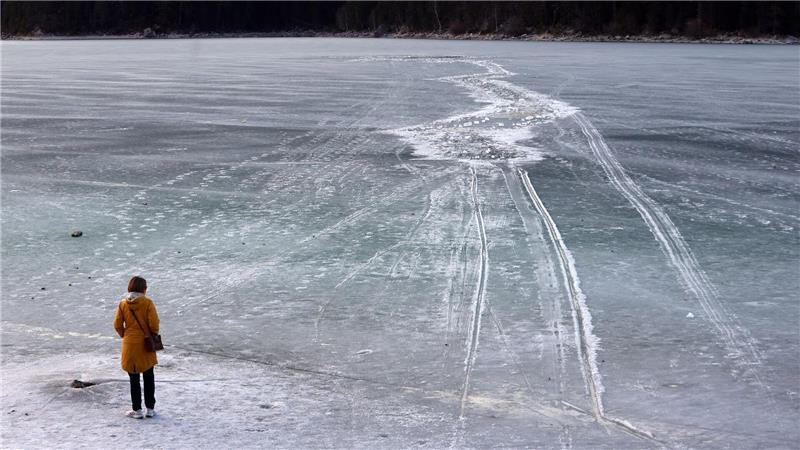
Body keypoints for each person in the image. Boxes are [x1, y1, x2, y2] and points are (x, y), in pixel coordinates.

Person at [113, 276, 160, 419]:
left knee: (133, 378)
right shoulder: (148, 303)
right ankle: (150, 409)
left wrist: (126, 335)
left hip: (129, 344)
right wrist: (152, 335)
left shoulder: (123, 304)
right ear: (144, 289)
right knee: (148, 376)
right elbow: (154, 325)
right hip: (145, 343)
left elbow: (117, 324)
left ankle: (137, 410)